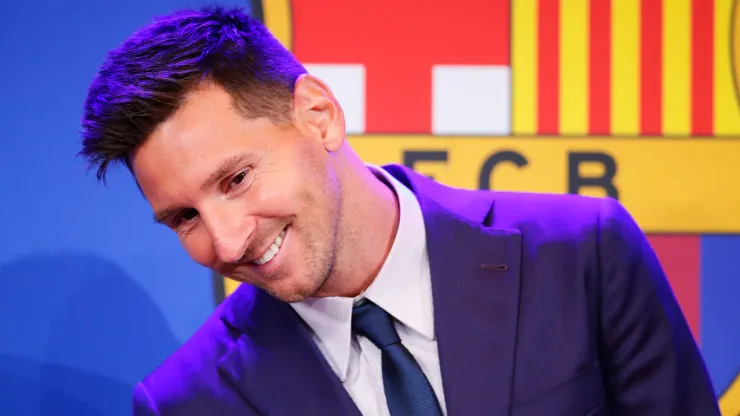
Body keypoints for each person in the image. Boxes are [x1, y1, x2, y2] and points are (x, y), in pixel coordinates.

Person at [79, 6, 720, 416]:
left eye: (238, 178)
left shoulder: (583, 251)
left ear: (318, 115)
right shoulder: (187, 403)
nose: (224, 242)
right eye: (184, 218)